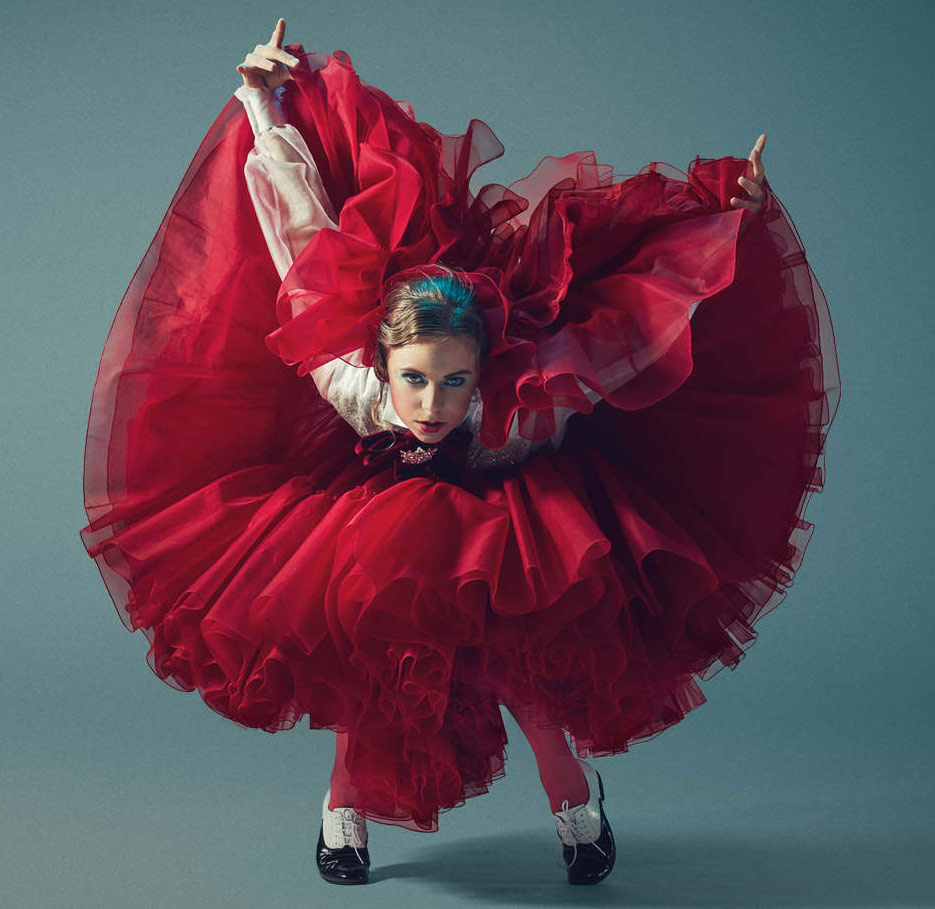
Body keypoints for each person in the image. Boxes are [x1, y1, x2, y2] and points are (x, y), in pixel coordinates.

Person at [80, 17, 840, 889]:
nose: (432, 405)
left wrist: (723, 226)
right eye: (415, 381)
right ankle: (344, 811)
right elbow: (301, 235)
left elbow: (637, 325)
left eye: (452, 383)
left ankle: (574, 806)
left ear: (485, 371)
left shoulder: (518, 412)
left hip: (505, 527)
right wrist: (263, 107)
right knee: (376, 656)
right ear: (381, 363)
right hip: (381, 525)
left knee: (529, 674)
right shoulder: (356, 387)